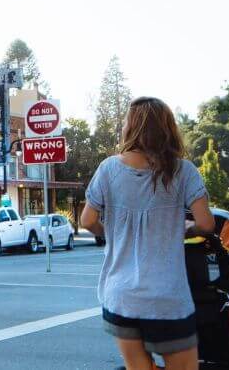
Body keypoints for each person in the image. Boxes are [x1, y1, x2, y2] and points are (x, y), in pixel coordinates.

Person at [80, 97, 214, 370]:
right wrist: (189, 228)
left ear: (130, 128)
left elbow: (87, 220)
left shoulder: (109, 169)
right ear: (168, 128)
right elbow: (207, 224)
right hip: (167, 300)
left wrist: (112, 233)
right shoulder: (183, 170)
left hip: (120, 297)